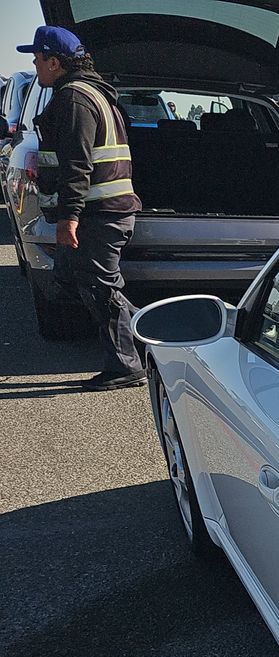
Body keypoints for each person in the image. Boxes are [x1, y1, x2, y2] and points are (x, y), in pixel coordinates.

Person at [17, 25, 144, 390]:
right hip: (102, 210)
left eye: (38, 58)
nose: (35, 64)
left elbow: (77, 164)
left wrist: (69, 217)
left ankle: (127, 365)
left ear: (54, 62)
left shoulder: (74, 97)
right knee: (75, 280)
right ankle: (149, 339)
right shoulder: (90, 93)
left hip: (98, 213)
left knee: (100, 288)